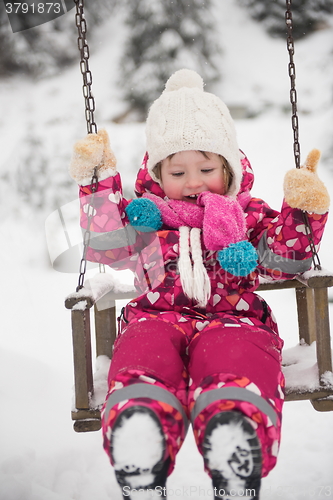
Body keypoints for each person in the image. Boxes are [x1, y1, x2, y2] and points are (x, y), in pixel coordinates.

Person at [69, 69, 330, 500]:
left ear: (229, 168)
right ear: (157, 175)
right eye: (177, 172)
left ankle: (236, 436)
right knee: (143, 351)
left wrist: (303, 212)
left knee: (236, 358)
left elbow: (284, 262)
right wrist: (96, 184)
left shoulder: (247, 216)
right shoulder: (144, 217)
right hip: (157, 316)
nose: (193, 182)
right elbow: (107, 246)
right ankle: (141, 434)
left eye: (206, 168)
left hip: (237, 320)